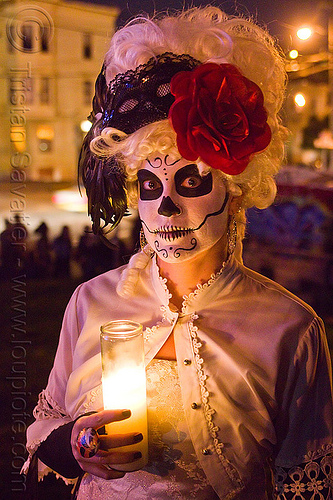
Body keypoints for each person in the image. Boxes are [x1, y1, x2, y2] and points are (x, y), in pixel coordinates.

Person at [22, 7, 333, 499]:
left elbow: (304, 484)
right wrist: (78, 445)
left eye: (190, 180)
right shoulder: (89, 302)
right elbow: (46, 429)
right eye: (148, 182)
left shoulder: (290, 329)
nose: (164, 203)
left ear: (234, 189)